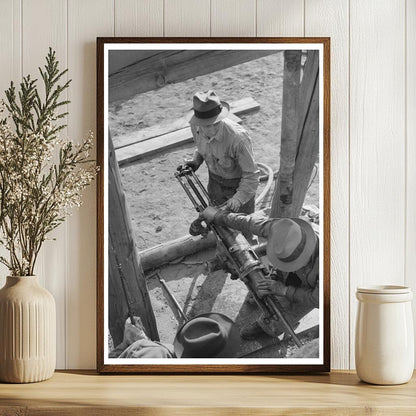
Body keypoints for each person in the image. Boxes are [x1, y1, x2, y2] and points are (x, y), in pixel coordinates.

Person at [200, 206, 319, 340]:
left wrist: (284, 290)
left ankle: (267, 327)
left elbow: (318, 299)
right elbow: (248, 222)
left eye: (293, 261)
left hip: (317, 291)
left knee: (279, 321)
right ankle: (270, 292)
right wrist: (218, 215)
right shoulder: (284, 229)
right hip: (303, 274)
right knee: (264, 289)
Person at [179, 90, 259, 214]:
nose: (211, 130)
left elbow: (252, 176)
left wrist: (238, 199)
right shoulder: (195, 126)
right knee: (217, 224)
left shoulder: (238, 139)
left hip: (238, 186)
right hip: (215, 184)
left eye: (215, 124)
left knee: (244, 229)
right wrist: (196, 161)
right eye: (206, 125)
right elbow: (203, 147)